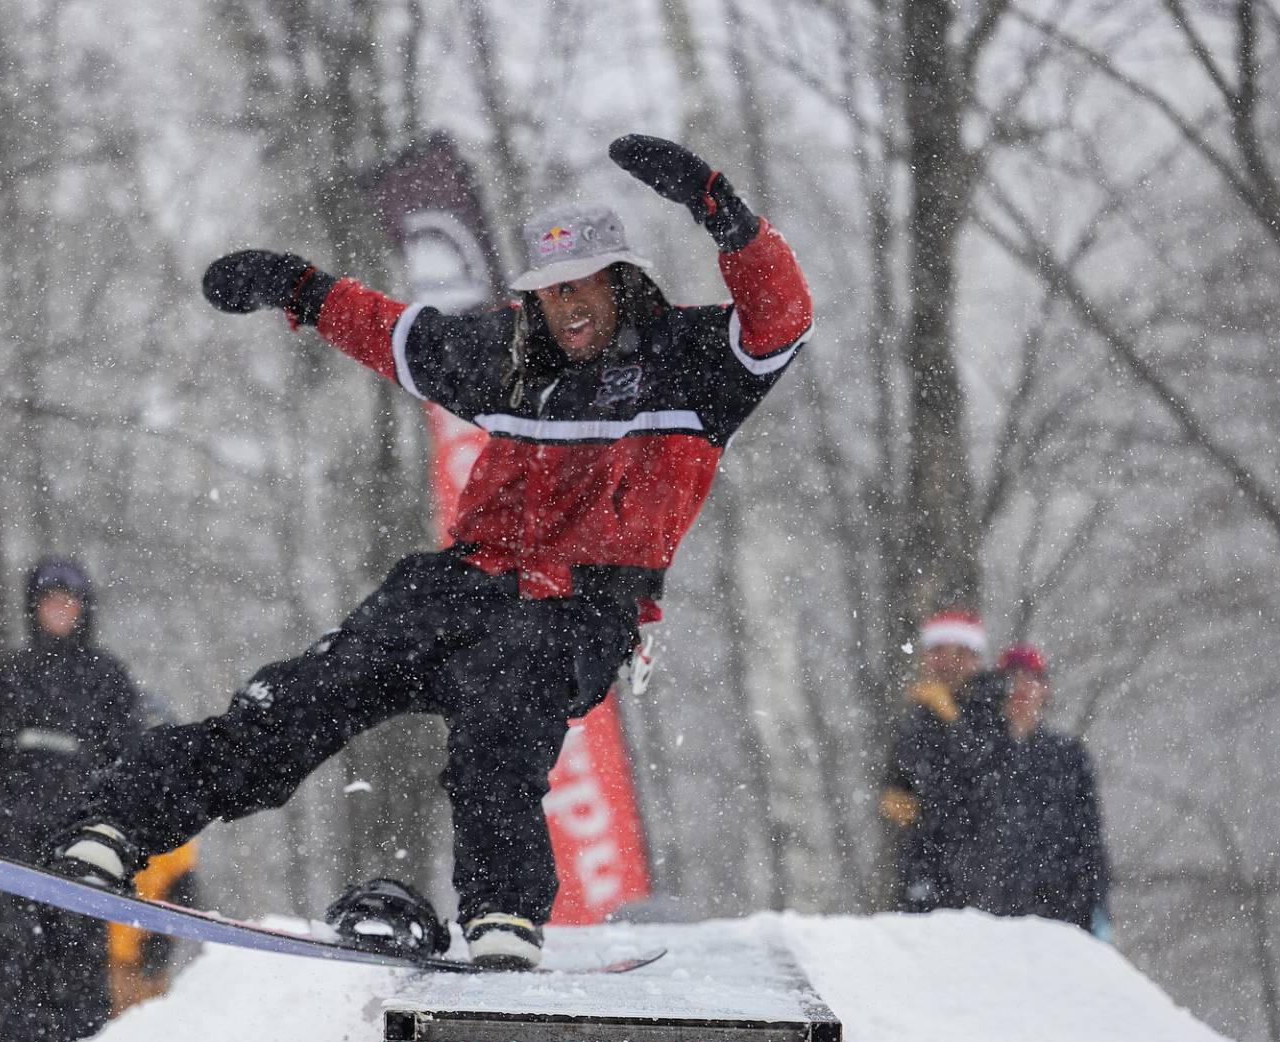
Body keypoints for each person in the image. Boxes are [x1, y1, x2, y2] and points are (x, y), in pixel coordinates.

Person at [49, 134, 814, 970]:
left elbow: (780, 320)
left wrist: (725, 216)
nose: (571, 308)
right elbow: (391, 333)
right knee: (304, 693)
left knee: (502, 712)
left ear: (624, 282)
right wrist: (297, 287)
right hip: (464, 582)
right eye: (554, 292)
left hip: (586, 603)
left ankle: (501, 916)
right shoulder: (511, 355)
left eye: (587, 286)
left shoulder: (694, 363)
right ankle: (117, 824)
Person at [0, 558, 172, 1042]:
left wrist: (130, 826)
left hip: (80, 837)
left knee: (78, 946)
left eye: (67, 601)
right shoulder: (10, 676)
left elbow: (131, 759)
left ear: (83, 609)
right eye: (49, 601)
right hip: (14, 833)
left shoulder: (107, 678)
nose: (59, 610)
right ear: (34, 609)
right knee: (14, 946)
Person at [881, 609, 1010, 913]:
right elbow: (903, 775)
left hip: (979, 863)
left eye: (959, 654)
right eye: (938, 653)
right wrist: (894, 794)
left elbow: (981, 776)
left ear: (975, 659)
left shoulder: (993, 707)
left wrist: (950, 719)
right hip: (922, 859)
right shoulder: (917, 712)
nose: (947, 663)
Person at [992, 645, 1111, 937]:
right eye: (1012, 680)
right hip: (991, 910)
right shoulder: (978, 755)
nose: (1020, 689)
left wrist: (1096, 904)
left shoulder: (1068, 756)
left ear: (1045, 689)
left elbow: (1089, 837)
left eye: (1030, 679)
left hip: (1059, 910)